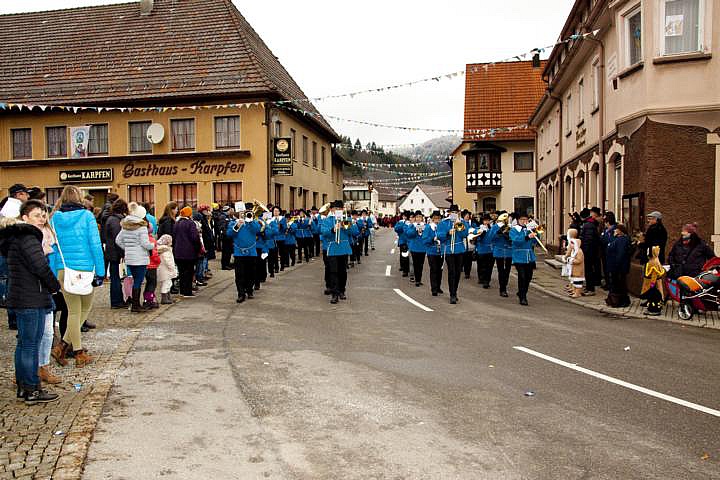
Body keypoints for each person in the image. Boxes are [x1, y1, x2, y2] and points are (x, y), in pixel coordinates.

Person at [0, 202, 62, 404]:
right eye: (37, 215)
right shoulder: (28, 237)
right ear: (25, 218)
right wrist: (54, 286)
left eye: (43, 215)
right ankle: (32, 388)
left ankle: (23, 386)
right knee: (30, 345)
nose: (42, 219)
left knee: (24, 343)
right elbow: (40, 267)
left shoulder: (16, 237)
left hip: (23, 295)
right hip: (31, 297)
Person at [49, 186, 104, 368]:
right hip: (84, 269)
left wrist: (54, 272)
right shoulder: (87, 216)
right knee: (83, 309)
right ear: (80, 198)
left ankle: (62, 346)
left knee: (73, 310)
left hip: (63, 269)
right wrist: (101, 271)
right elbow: (95, 245)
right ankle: (78, 352)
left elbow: (52, 247)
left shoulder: (54, 218)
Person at [115, 202, 155, 313]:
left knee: (134, 280)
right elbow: (145, 244)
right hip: (140, 258)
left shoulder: (126, 226)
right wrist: (153, 245)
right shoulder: (141, 227)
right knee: (138, 281)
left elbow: (118, 240)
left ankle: (135, 304)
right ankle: (136, 305)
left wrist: (127, 248)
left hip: (130, 257)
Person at [321, 201, 358, 304]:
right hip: (332, 248)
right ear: (332, 210)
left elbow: (354, 232)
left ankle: (342, 291)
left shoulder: (346, 219)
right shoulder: (327, 220)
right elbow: (323, 232)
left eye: (340, 209)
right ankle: (334, 294)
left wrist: (345, 224)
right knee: (333, 271)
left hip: (343, 248)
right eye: (336, 208)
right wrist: (333, 229)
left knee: (342, 271)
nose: (338, 210)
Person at [226, 204, 261, 303]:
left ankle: (249, 290)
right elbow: (229, 234)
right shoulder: (233, 223)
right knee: (239, 274)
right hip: (239, 253)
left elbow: (258, 230)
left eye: (244, 213)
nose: (242, 214)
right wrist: (237, 225)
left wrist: (250, 221)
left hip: (251, 252)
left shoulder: (253, 222)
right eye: (241, 213)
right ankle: (241, 294)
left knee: (251, 273)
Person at [437, 205, 468, 304]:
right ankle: (452, 294)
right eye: (452, 212)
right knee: (452, 271)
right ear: (449, 213)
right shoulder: (444, 222)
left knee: (458, 272)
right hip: (449, 250)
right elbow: (439, 236)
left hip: (459, 250)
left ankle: (455, 291)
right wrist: (447, 233)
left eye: (456, 212)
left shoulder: (462, 222)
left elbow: (465, 235)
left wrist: (459, 224)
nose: (454, 214)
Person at [508, 213, 539, 306]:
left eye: (526, 219)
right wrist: (527, 237)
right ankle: (523, 297)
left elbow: (534, 242)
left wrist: (536, 234)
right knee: (522, 276)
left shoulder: (528, 230)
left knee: (528, 277)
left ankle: (522, 292)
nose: (524, 221)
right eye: (522, 219)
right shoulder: (514, 230)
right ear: (518, 220)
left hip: (529, 256)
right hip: (519, 256)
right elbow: (516, 241)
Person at [104, 199, 129, 309]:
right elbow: (118, 239)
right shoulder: (116, 221)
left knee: (116, 277)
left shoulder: (111, 219)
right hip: (115, 253)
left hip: (111, 252)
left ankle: (117, 300)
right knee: (115, 278)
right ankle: (116, 301)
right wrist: (123, 253)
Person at [173, 206, 201, 298]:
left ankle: (182, 290)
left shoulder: (177, 223)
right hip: (189, 252)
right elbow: (194, 237)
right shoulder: (190, 223)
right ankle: (187, 291)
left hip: (178, 252)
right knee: (189, 272)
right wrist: (198, 248)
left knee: (181, 272)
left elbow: (174, 237)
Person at [605, 224, 632, 308]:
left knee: (620, 284)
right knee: (619, 283)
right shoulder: (618, 239)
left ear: (620, 231)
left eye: (616, 229)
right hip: (617, 265)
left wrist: (616, 265)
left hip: (618, 266)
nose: (614, 230)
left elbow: (620, 253)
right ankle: (619, 300)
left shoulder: (622, 240)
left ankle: (621, 301)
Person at [490, 212, 513, 297]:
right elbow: (491, 238)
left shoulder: (510, 227)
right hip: (499, 251)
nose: (505, 220)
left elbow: (513, 239)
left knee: (507, 271)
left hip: (508, 251)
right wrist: (499, 233)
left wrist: (508, 237)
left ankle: (504, 285)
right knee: (501, 270)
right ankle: (502, 289)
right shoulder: (495, 227)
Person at [421, 210, 444, 296]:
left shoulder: (442, 227)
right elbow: (424, 240)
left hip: (441, 252)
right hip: (431, 252)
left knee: (440, 270)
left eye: (439, 218)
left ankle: (438, 287)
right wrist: (432, 239)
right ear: (432, 219)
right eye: (435, 218)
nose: (437, 220)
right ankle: (434, 288)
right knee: (434, 269)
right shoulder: (428, 227)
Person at [579, 208, 600, 296]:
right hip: (590, 251)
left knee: (589, 270)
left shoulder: (588, 225)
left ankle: (590, 289)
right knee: (588, 270)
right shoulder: (589, 224)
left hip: (589, 252)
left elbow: (588, 240)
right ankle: (589, 287)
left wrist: (585, 251)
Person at [641, 245, 666, 316]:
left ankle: (653, 309)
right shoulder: (656, 260)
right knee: (657, 295)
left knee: (653, 297)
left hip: (653, 282)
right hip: (657, 282)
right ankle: (656, 307)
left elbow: (654, 274)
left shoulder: (653, 262)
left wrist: (652, 284)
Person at [404, 211, 426, 287]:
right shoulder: (411, 225)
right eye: (417, 217)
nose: (419, 218)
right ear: (415, 218)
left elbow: (426, 235)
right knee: (416, 264)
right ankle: (417, 280)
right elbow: (409, 234)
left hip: (422, 248)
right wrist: (415, 229)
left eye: (420, 217)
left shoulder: (425, 225)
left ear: (422, 218)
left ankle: (419, 279)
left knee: (421, 265)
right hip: (414, 248)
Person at [473, 214, 494, 288]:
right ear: (482, 221)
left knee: (489, 267)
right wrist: (480, 233)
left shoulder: (491, 229)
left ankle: (487, 281)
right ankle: (481, 277)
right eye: (485, 220)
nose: (486, 222)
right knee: (481, 265)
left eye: (488, 220)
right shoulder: (479, 228)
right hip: (481, 250)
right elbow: (474, 235)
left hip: (490, 250)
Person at [156, 234, 178, 305]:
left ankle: (168, 297)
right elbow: (168, 261)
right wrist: (172, 268)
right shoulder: (166, 250)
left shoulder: (161, 249)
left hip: (163, 269)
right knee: (167, 284)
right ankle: (164, 298)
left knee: (168, 283)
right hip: (166, 270)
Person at [143, 224, 161, 309]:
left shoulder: (142, 238)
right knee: (152, 283)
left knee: (148, 283)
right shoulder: (151, 240)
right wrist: (158, 260)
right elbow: (154, 253)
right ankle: (149, 300)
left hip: (144, 264)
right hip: (152, 265)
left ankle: (147, 299)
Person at [600, 211, 617, 290]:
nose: (604, 223)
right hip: (604, 251)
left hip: (611, 253)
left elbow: (610, 240)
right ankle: (607, 283)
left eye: (605, 221)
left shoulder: (615, 229)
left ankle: (611, 285)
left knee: (611, 269)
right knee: (606, 269)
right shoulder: (605, 230)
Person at [395, 211, 411, 277]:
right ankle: (404, 269)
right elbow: (396, 229)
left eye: (405, 216)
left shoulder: (410, 222)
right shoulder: (401, 222)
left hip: (410, 241)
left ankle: (407, 268)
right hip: (403, 241)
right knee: (403, 255)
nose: (404, 217)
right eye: (403, 216)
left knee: (409, 256)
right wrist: (402, 224)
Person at [461, 210, 474, 280]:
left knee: (469, 259)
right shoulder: (461, 223)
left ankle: (467, 272)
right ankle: (464, 270)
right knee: (464, 258)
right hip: (464, 242)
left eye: (468, 215)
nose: (468, 217)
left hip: (470, 242)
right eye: (466, 215)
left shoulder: (472, 222)